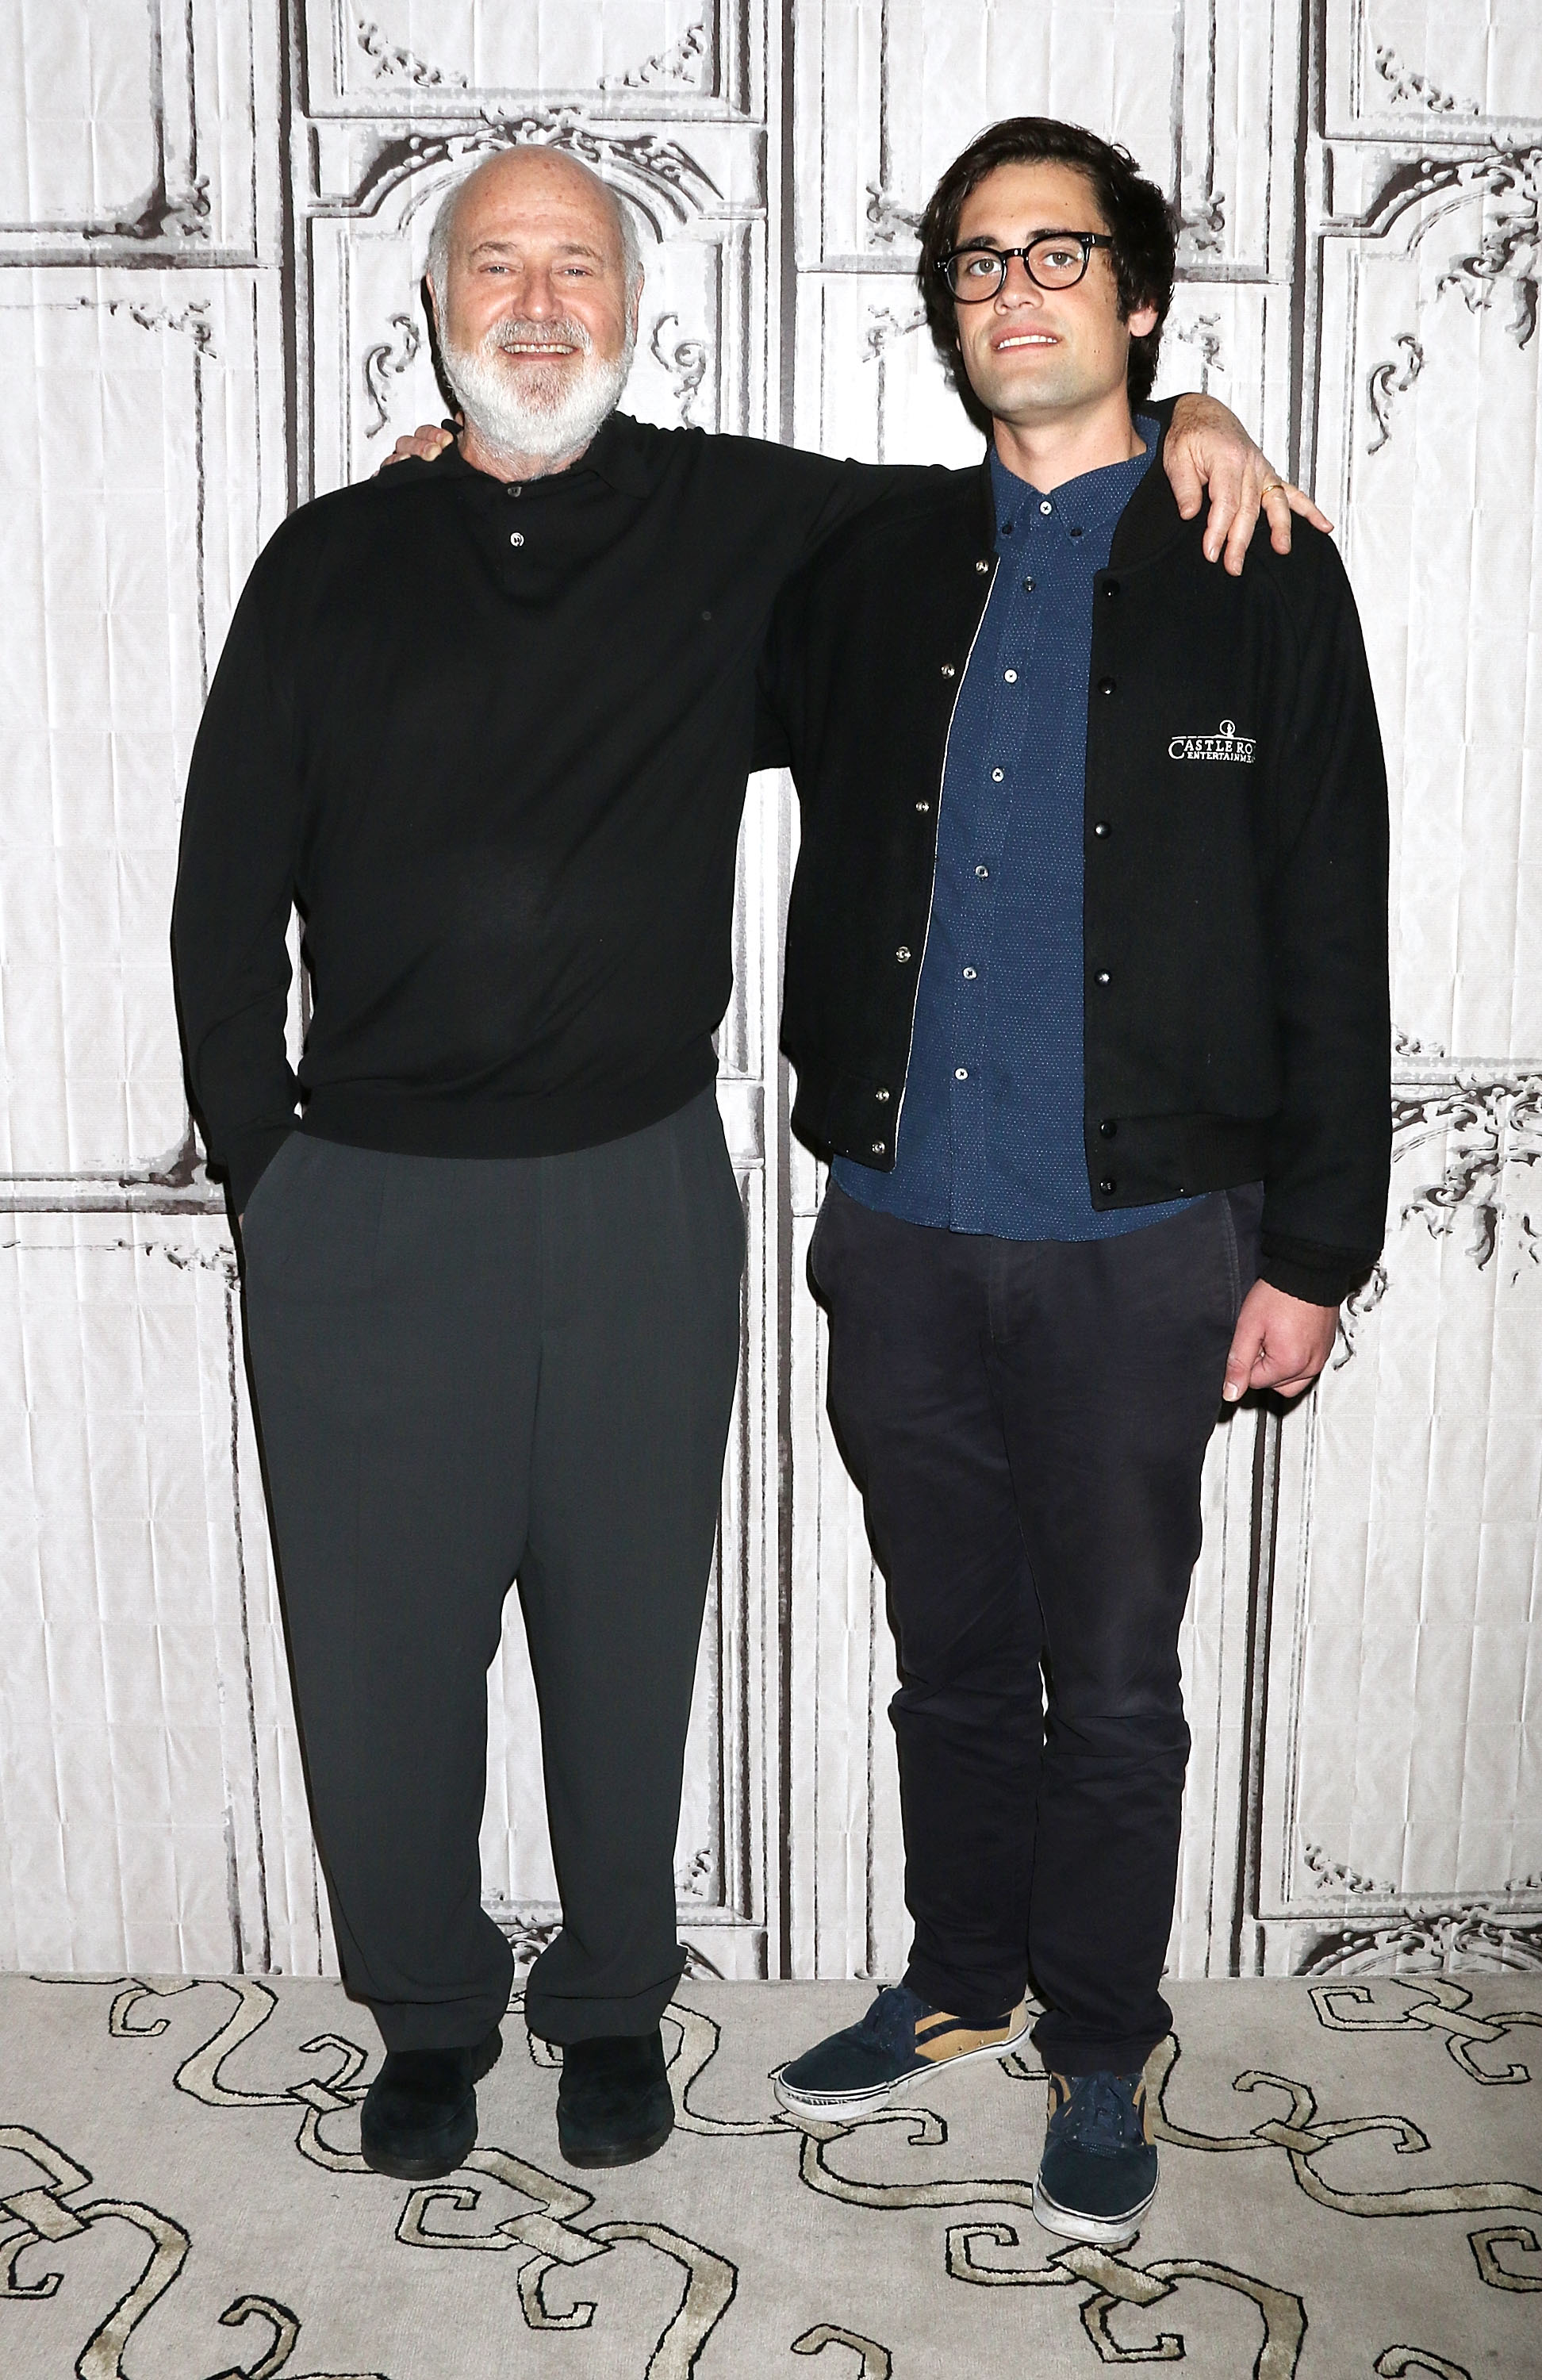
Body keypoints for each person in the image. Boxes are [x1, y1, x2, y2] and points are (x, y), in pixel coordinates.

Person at [171, 137, 1318, 2187]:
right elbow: (216, 895)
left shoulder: (745, 521)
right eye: (493, 268)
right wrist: (273, 1175)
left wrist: (1200, 414)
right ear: (433, 310)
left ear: (635, 306)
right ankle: (425, 2014)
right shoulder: (327, 555)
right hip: (363, 1196)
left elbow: (1023, 468)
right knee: (379, 1659)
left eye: (577, 267)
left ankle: (612, 2000)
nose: (537, 304)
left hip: (634, 1188)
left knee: (627, 1639)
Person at [760, 117, 1389, 2248]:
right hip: (905, 1230)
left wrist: (1317, 1246)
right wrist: (458, 484)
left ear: (1136, 298)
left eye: (1060, 253)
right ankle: (957, 1980)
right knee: (947, 1648)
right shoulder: (867, 568)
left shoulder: (1262, 571)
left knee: (1112, 1678)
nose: (1012, 287)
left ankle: (1100, 2045)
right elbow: (634, 603)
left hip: (1147, 1247)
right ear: (947, 317)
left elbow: (1332, 917)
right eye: (972, 262)